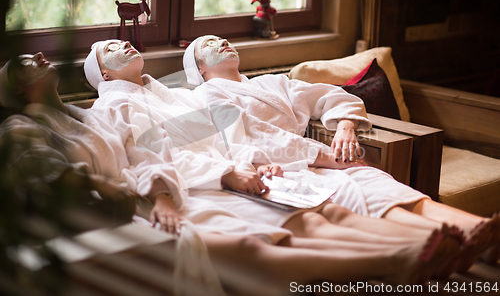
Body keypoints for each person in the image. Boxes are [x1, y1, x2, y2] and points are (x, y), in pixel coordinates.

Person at [0, 52, 462, 291]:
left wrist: (334, 131)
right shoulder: (94, 109)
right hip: (189, 186)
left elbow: (152, 152)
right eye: (111, 51)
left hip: (214, 175)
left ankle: (431, 247)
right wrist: (229, 173)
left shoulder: (105, 113)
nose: (38, 59)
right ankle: (407, 260)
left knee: (330, 208)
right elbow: (171, 149)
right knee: (284, 229)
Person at [183, 34, 500, 273]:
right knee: (350, 193)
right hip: (278, 169)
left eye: (223, 38)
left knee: (378, 181)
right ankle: (447, 245)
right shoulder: (206, 94)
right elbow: (254, 136)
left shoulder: (273, 83)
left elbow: (331, 95)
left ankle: (477, 231)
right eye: (210, 44)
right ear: (199, 67)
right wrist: (322, 156)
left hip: (323, 159)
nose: (223, 41)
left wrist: (345, 127)